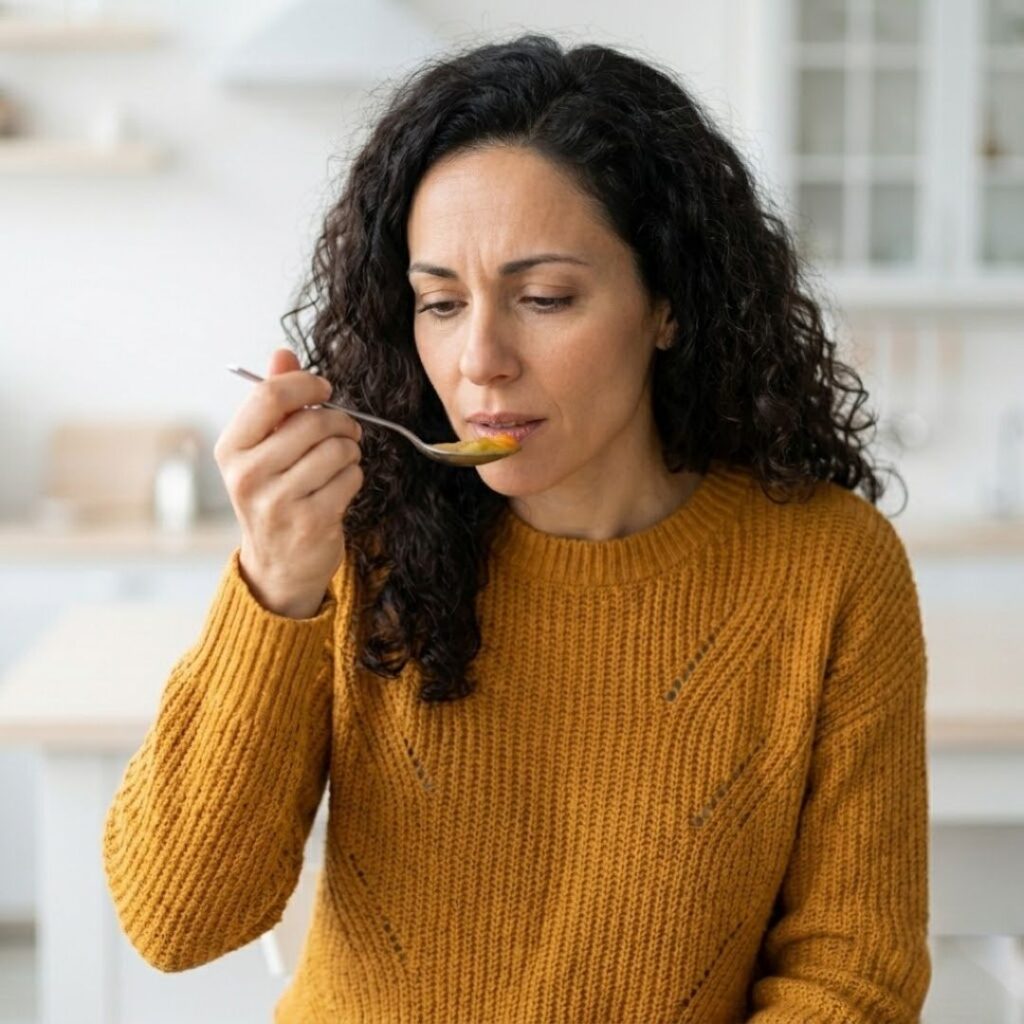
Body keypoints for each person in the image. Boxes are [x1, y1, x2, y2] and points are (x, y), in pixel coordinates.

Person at [102, 33, 930, 1023]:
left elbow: (853, 968)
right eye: (440, 302)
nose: (480, 359)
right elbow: (175, 919)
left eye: (543, 298)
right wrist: (273, 583)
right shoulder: (353, 537)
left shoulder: (829, 565)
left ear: (666, 302)